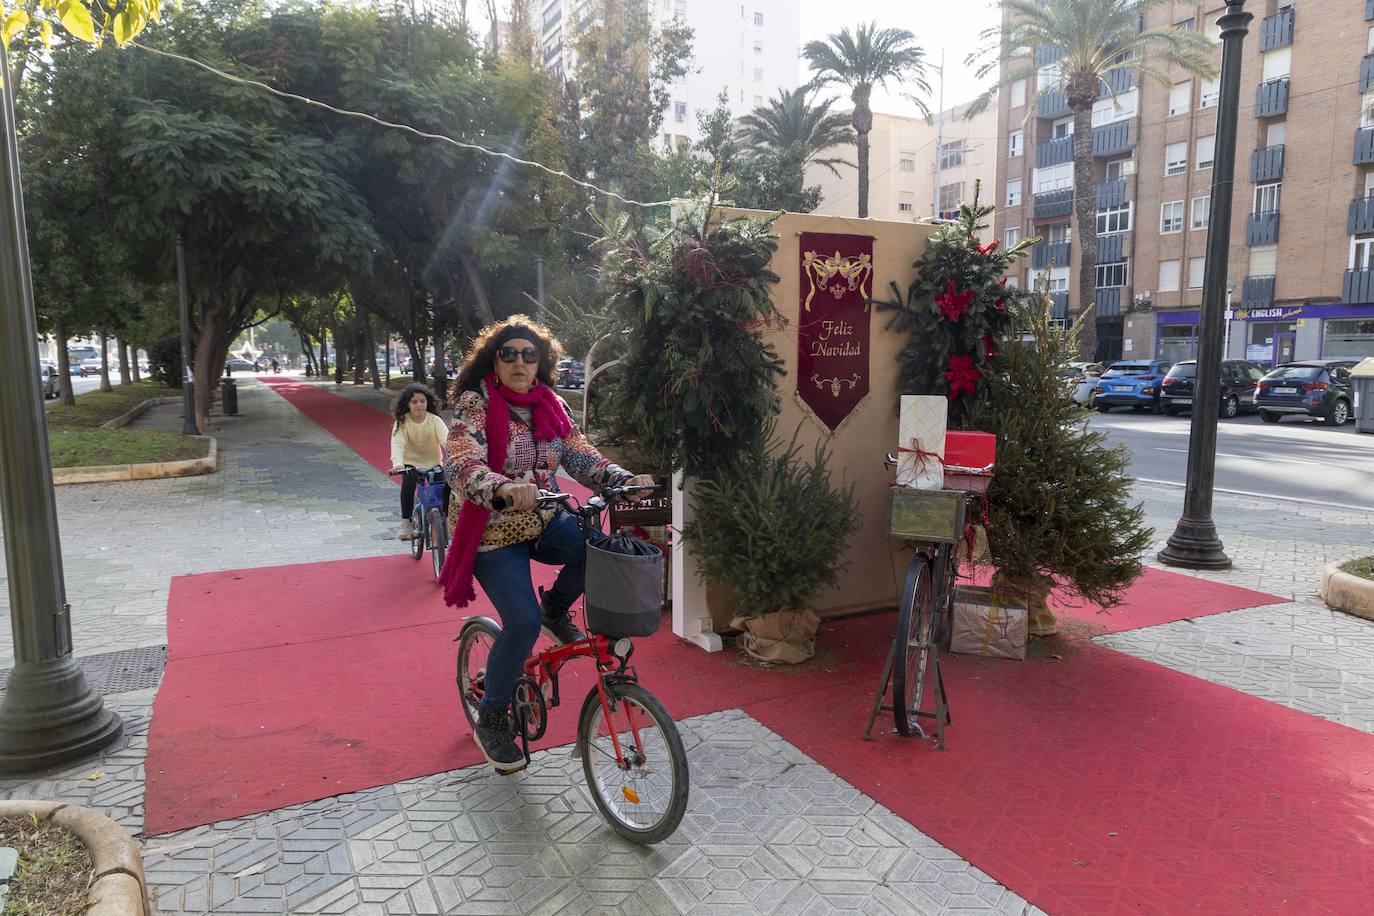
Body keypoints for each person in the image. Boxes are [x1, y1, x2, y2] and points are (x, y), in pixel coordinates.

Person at [441, 316, 654, 773]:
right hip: (493, 533)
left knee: (601, 553)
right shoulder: (475, 404)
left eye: (529, 354)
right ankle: (494, 718)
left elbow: (580, 453)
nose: (520, 362)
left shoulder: (552, 404)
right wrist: (498, 486)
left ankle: (558, 610)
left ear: (542, 362)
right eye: (509, 354)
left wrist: (621, 479)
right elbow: (460, 460)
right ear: (493, 360)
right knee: (521, 621)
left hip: (544, 519)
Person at [388, 383, 450, 541]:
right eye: (414, 402)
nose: (419, 405)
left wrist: (457, 456)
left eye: (422, 401)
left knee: (445, 489)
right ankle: (406, 523)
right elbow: (397, 444)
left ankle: (444, 523)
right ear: (407, 404)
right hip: (410, 465)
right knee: (408, 486)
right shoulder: (402, 422)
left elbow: (447, 441)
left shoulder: (434, 420)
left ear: (427, 402)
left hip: (434, 465)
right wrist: (397, 464)